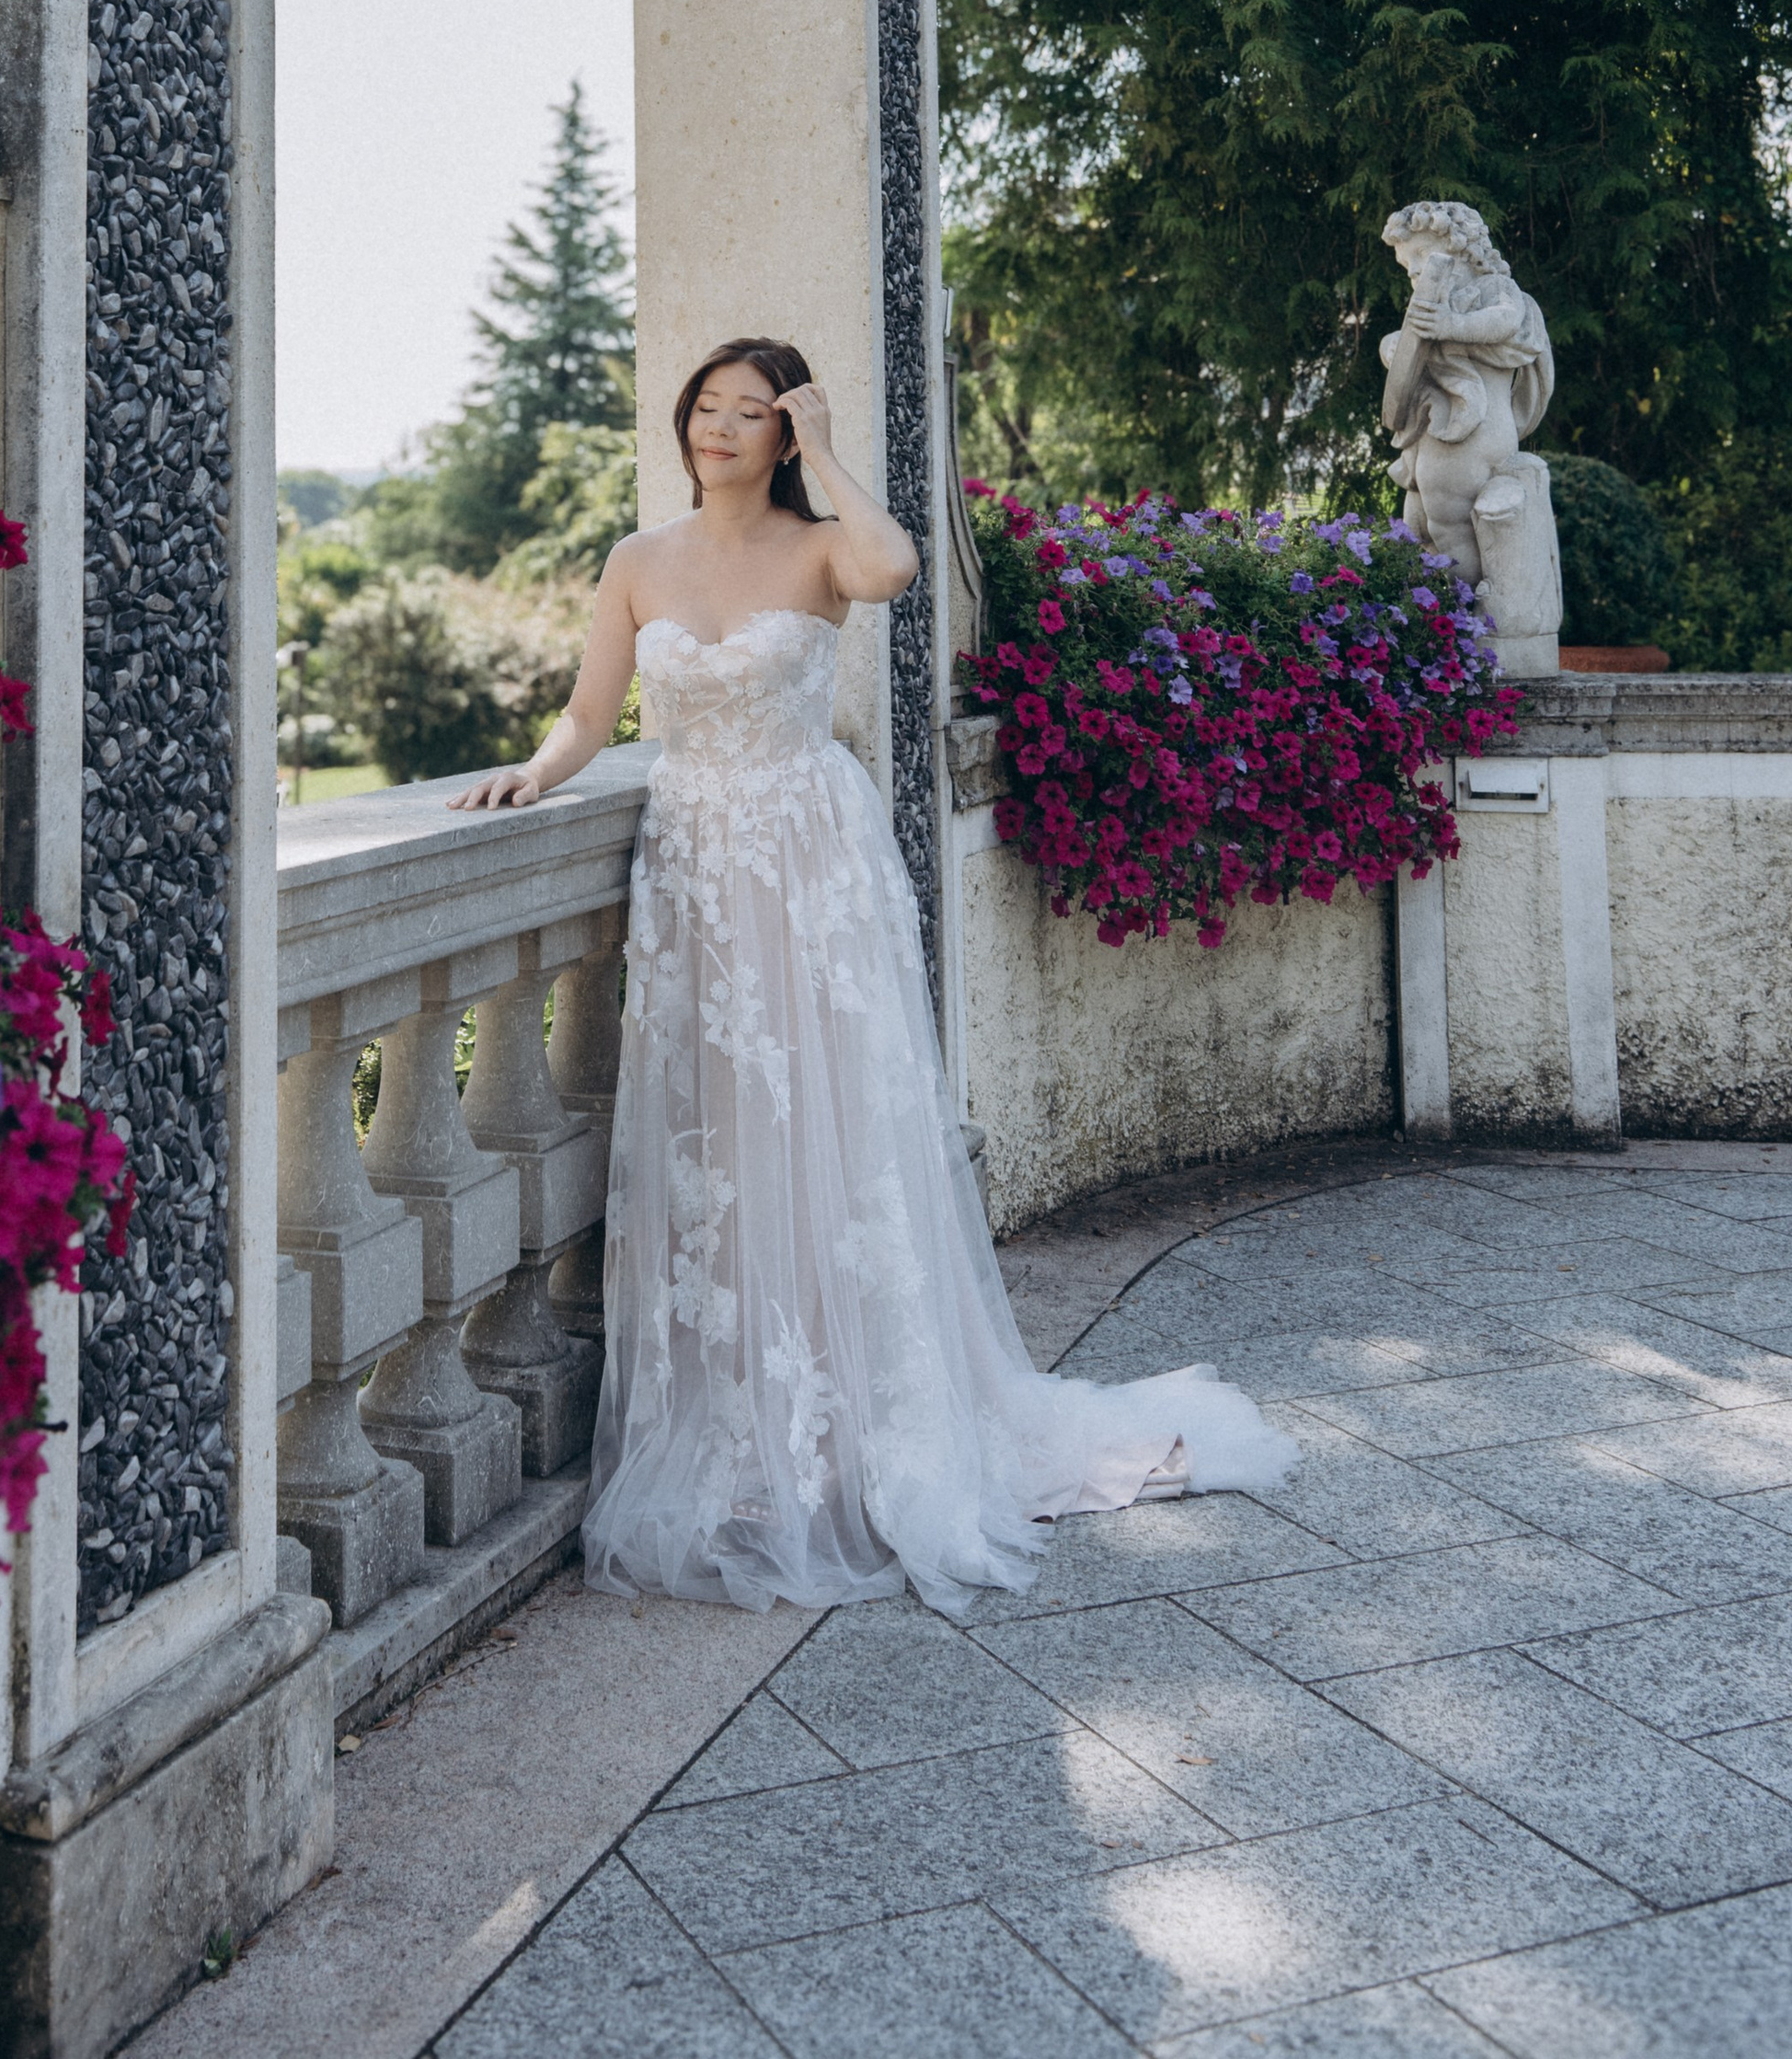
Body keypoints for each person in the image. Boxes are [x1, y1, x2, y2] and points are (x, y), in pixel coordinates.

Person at [451, 338, 1296, 1616]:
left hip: (809, 864)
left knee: (837, 1133)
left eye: (753, 413)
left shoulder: (820, 546)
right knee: (723, 1139)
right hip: (696, 875)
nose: (722, 430)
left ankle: (868, 1428)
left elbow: (896, 567)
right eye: (709, 410)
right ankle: (755, 1421)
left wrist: (832, 441)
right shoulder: (639, 561)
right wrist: (535, 772)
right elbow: (593, 713)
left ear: (784, 433)